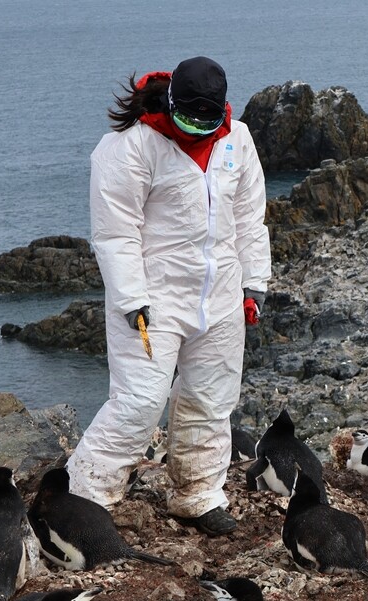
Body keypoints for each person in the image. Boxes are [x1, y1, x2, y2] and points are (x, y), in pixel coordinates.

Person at [67, 56, 271, 536]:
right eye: (186, 119)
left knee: (210, 399)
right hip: (151, 300)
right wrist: (131, 295)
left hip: (220, 295)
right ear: (171, 104)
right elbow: (116, 233)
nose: (195, 130)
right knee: (139, 401)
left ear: (222, 110)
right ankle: (86, 496)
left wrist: (253, 283)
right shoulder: (129, 148)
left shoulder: (236, 141)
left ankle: (197, 494)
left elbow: (249, 218)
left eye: (206, 120)